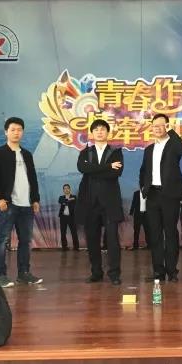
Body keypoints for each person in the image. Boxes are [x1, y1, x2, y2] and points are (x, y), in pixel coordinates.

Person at [0, 117, 43, 288]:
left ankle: (24, 274)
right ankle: (0, 275)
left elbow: (33, 179)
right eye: (13, 130)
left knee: (25, 241)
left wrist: (35, 199)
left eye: (19, 130)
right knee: (2, 240)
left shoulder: (27, 154)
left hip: (27, 205)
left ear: (23, 132)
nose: (16, 133)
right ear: (6, 132)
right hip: (8, 204)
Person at [140, 114, 182, 282]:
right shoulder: (148, 150)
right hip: (153, 195)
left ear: (167, 126)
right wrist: (143, 188)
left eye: (161, 125)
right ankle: (158, 271)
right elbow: (143, 171)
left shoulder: (173, 145)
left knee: (171, 232)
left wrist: (171, 132)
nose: (158, 128)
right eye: (155, 126)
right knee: (155, 234)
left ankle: (172, 270)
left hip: (170, 195)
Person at [76, 119, 124, 285]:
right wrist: (107, 167)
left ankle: (114, 274)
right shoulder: (85, 152)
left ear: (107, 132)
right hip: (89, 202)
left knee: (112, 240)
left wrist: (93, 170)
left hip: (110, 202)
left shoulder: (116, 152)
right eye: (96, 129)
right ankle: (96, 272)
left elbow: (116, 173)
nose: (99, 132)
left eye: (102, 129)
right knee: (92, 239)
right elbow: (82, 168)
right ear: (92, 133)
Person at [58, 184, 79, 251]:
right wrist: (69, 200)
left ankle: (76, 247)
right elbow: (61, 201)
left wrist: (66, 201)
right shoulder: (61, 197)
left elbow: (73, 202)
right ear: (63, 190)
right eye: (65, 188)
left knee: (74, 232)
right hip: (63, 217)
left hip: (71, 217)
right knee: (63, 232)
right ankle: (64, 247)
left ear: (70, 189)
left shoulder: (74, 197)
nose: (66, 189)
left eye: (67, 188)